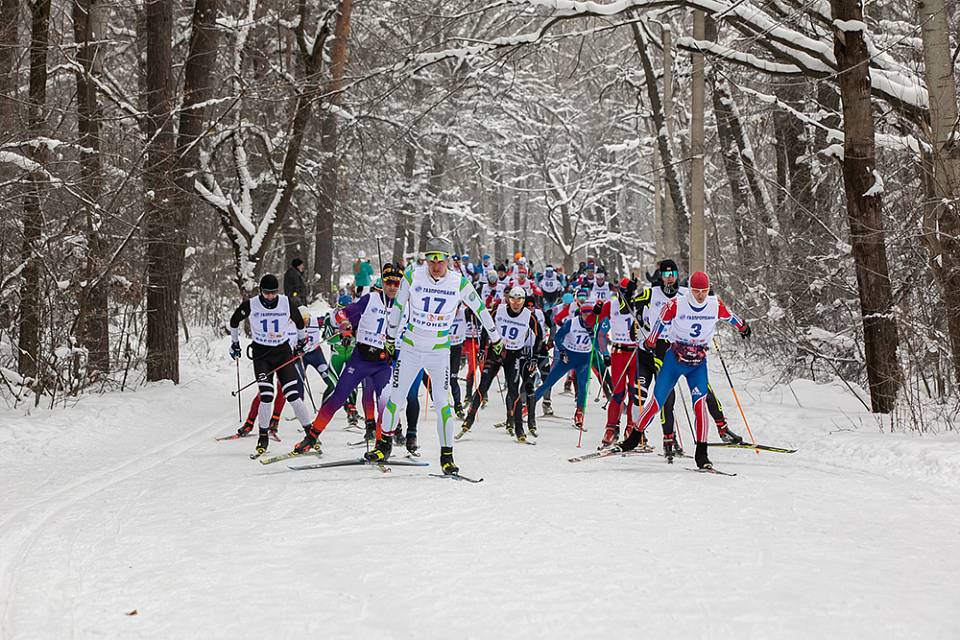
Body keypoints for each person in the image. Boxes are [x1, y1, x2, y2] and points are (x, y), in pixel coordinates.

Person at [364, 238, 503, 474]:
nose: (435, 266)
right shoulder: (413, 276)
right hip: (410, 346)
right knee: (395, 397)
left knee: (441, 403)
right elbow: (398, 307)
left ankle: (447, 455)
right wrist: (389, 338)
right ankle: (383, 445)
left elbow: (479, 308)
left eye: (440, 260)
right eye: (431, 260)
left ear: (448, 260)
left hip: (439, 351)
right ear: (426, 260)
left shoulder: (458, 282)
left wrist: (496, 338)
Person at [616, 272, 751, 469]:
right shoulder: (677, 304)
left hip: (697, 363)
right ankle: (634, 438)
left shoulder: (715, 304)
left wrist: (743, 327)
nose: (700, 295)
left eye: (703, 291)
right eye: (696, 291)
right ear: (690, 289)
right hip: (674, 359)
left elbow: (731, 317)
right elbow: (661, 321)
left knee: (700, 405)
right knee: (657, 401)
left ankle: (702, 454)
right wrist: (651, 340)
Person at [293, 266, 404, 454]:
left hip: (382, 364)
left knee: (384, 404)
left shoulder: (404, 305)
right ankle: (311, 437)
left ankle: (381, 446)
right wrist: (344, 322)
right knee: (337, 398)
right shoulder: (371, 299)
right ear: (382, 283)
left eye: (396, 283)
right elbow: (341, 313)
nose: (392, 287)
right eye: (388, 282)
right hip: (360, 360)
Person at [229, 274, 312, 457]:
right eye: (267, 293)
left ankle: (310, 434)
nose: (270, 297)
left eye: (273, 293)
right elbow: (234, 321)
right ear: (261, 291)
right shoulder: (251, 304)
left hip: (282, 353)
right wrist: (235, 343)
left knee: (293, 395)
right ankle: (263, 436)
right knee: (266, 396)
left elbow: (299, 322)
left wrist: (301, 342)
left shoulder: (285, 302)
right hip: (262, 355)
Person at [458, 287, 543, 442]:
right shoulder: (499, 310)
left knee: (513, 391)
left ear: (524, 301)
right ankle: (468, 421)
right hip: (496, 353)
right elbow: (487, 326)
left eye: (520, 300)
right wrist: (483, 347)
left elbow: (539, 335)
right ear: (508, 299)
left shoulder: (528, 315)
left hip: (514, 355)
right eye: (513, 299)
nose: (516, 304)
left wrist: (534, 357)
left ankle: (519, 429)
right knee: (483, 386)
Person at [534, 300, 599, 431]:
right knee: (549, 382)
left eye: (590, 315)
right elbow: (558, 337)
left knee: (582, 386)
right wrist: (562, 351)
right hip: (568, 357)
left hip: (584, 358)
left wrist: (598, 346)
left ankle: (579, 413)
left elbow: (600, 340)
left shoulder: (595, 324)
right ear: (580, 314)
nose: (588, 317)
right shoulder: (572, 322)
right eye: (585, 315)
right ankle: (529, 406)